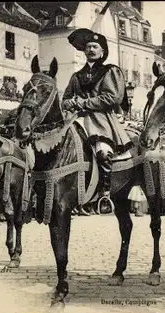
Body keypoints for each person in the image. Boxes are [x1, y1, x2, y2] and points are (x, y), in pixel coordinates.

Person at [62, 28, 132, 213]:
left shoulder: (110, 72)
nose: (91, 50)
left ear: (102, 51)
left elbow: (112, 98)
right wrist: (71, 103)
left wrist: (83, 101)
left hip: (100, 120)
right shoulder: (76, 76)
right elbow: (65, 99)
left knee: (102, 151)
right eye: (87, 47)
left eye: (95, 46)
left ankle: (105, 194)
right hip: (77, 119)